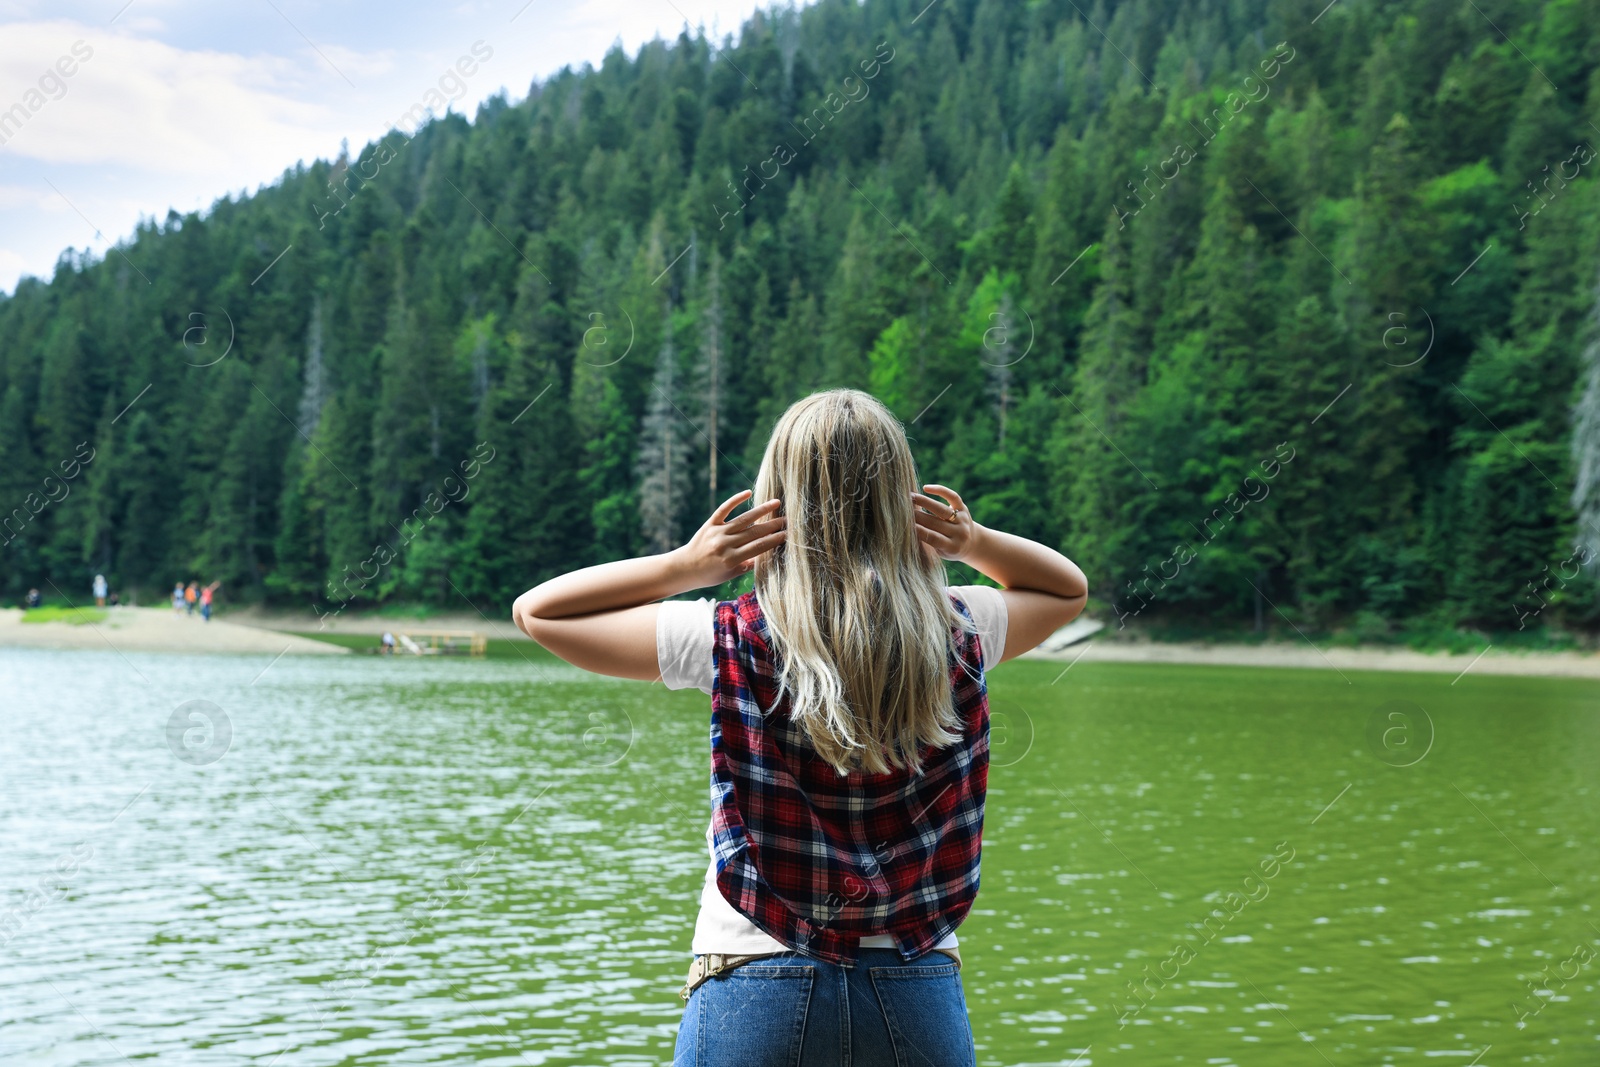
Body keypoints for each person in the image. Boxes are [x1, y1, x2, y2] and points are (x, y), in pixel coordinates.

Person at [513, 389, 1088, 1065]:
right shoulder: (962, 626)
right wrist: (975, 542)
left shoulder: (725, 635)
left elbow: (539, 613)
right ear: (902, 500)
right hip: (913, 986)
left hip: (753, 978)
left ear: (778, 502)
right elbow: (1066, 591)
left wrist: (688, 566)